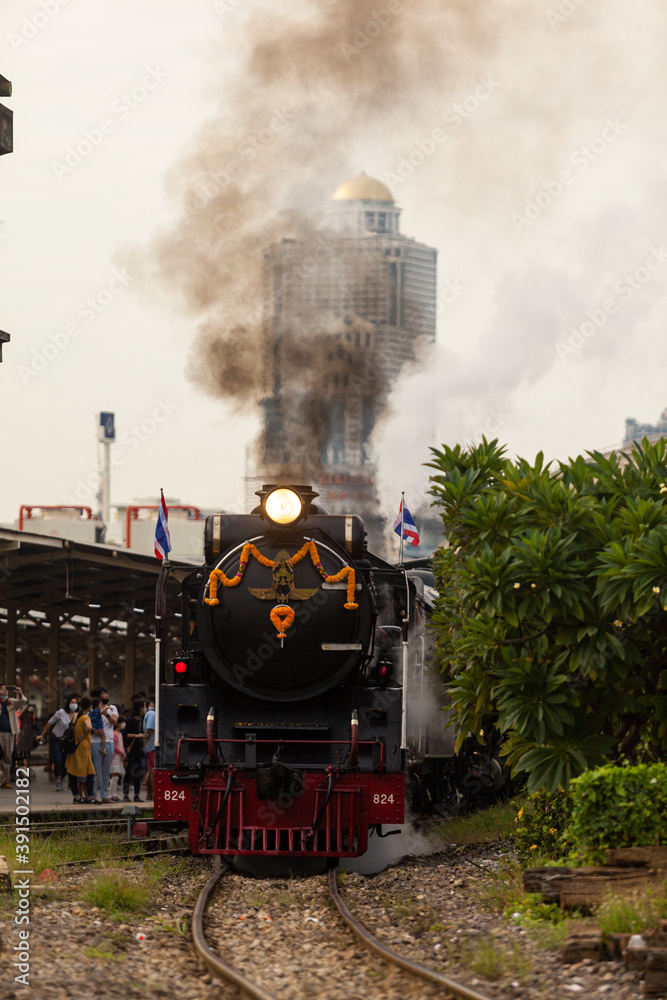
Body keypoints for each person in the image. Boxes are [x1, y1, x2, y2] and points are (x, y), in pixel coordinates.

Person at [37, 694, 80, 792]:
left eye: (75, 703)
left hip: (68, 741)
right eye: (72, 702)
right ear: (68, 703)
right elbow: (50, 723)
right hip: (57, 739)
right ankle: (58, 780)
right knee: (58, 759)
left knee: (66, 762)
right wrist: (42, 735)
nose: (74, 704)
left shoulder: (77, 715)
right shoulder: (61, 712)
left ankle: (62, 777)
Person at [90, 686, 118, 804]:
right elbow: (87, 724)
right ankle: (93, 795)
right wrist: (94, 732)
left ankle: (105, 795)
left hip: (109, 741)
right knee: (95, 769)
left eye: (106, 692)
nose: (106, 695)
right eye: (103, 693)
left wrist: (106, 714)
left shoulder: (112, 708)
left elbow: (114, 722)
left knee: (106, 770)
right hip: (95, 742)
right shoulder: (91, 710)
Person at [65, 696, 96, 802]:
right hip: (83, 746)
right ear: (90, 707)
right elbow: (89, 727)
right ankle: (91, 796)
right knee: (90, 772)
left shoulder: (75, 716)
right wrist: (84, 735)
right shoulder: (85, 718)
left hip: (74, 746)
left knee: (73, 772)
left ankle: (76, 796)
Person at [0, 684, 27, 788]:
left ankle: (5, 781)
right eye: (2, 689)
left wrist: (20, 692)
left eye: (6, 689)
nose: (5, 691)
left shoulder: (11, 702)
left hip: (10, 733)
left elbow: (23, 702)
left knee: (7, 757)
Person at [122, 699, 146, 802]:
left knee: (138, 772)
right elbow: (125, 734)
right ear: (140, 708)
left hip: (139, 749)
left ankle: (136, 794)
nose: (145, 708)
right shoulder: (130, 720)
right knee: (128, 772)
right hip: (131, 750)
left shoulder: (142, 719)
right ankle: (126, 794)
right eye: (144, 706)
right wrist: (138, 735)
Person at [109, 716, 127, 802]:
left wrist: (123, 753)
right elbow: (115, 747)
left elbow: (121, 745)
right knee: (114, 776)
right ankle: (112, 795)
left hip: (119, 757)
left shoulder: (120, 734)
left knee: (116, 777)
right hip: (115, 757)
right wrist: (122, 753)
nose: (123, 724)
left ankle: (114, 794)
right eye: (122, 722)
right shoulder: (114, 733)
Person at [15, 703, 38, 770]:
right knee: (19, 748)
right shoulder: (19, 711)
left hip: (28, 733)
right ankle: (17, 763)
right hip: (21, 732)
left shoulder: (29, 713)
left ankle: (26, 764)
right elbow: (18, 716)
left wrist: (35, 710)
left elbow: (34, 719)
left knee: (27, 750)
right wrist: (24, 708)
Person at [142, 696, 156, 802]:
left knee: (149, 770)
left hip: (149, 747)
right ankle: (153, 794)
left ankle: (149, 795)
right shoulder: (152, 714)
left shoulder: (149, 713)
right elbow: (149, 730)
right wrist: (145, 742)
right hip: (152, 746)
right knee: (153, 771)